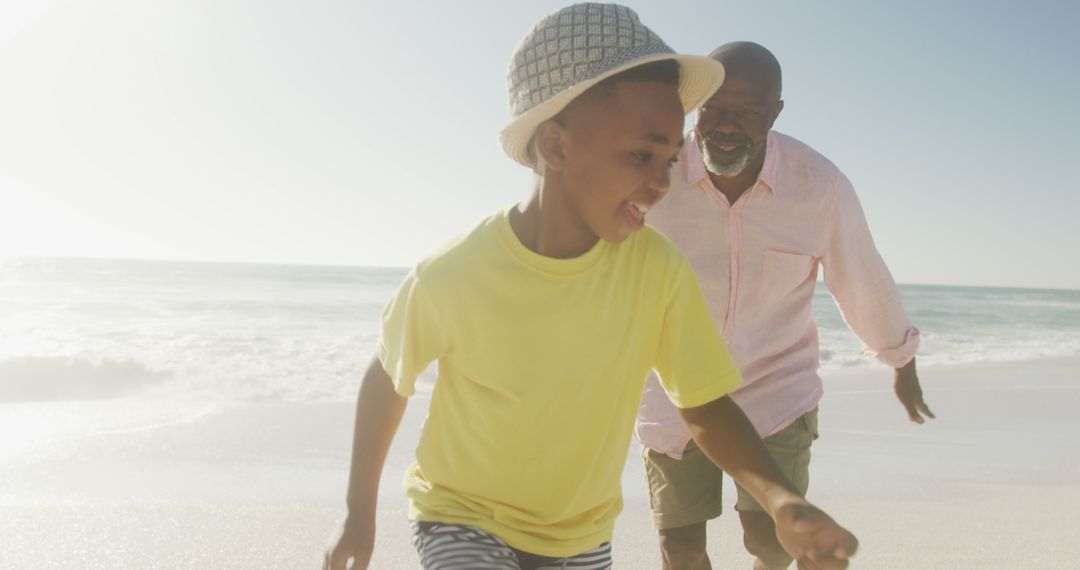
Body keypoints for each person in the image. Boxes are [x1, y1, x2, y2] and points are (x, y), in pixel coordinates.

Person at [325, 8, 857, 570]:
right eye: (641, 155)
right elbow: (388, 375)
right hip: (462, 515)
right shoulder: (456, 274)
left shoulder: (656, 270)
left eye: (673, 158)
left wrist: (781, 499)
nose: (662, 181)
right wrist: (359, 512)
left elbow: (702, 404)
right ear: (555, 146)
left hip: (579, 535)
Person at [634, 41, 933, 570]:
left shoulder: (818, 187)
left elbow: (861, 277)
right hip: (673, 394)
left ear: (775, 113)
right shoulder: (655, 177)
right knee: (679, 547)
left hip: (776, 391)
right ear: (696, 107)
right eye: (716, 109)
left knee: (771, 540)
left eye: (747, 112)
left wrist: (900, 360)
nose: (727, 126)